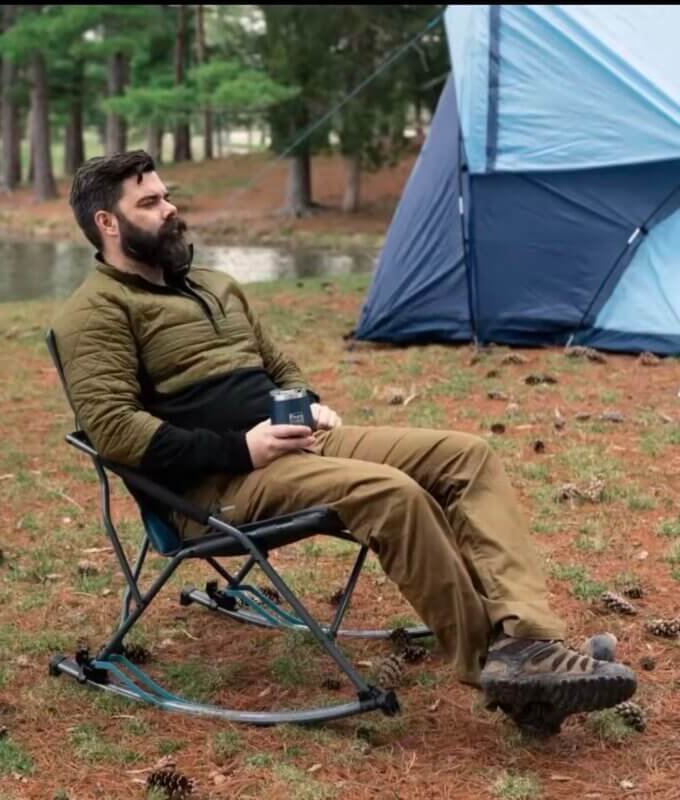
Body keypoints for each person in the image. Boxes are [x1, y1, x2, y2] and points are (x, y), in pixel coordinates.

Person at [51, 150, 636, 736]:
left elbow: (282, 368)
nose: (170, 208)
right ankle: (498, 666)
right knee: (393, 493)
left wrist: (305, 402)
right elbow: (115, 430)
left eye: (166, 195)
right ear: (107, 223)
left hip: (298, 444)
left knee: (466, 454)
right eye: (150, 203)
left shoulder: (216, 285)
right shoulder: (94, 313)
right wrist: (240, 450)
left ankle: (531, 639)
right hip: (218, 489)